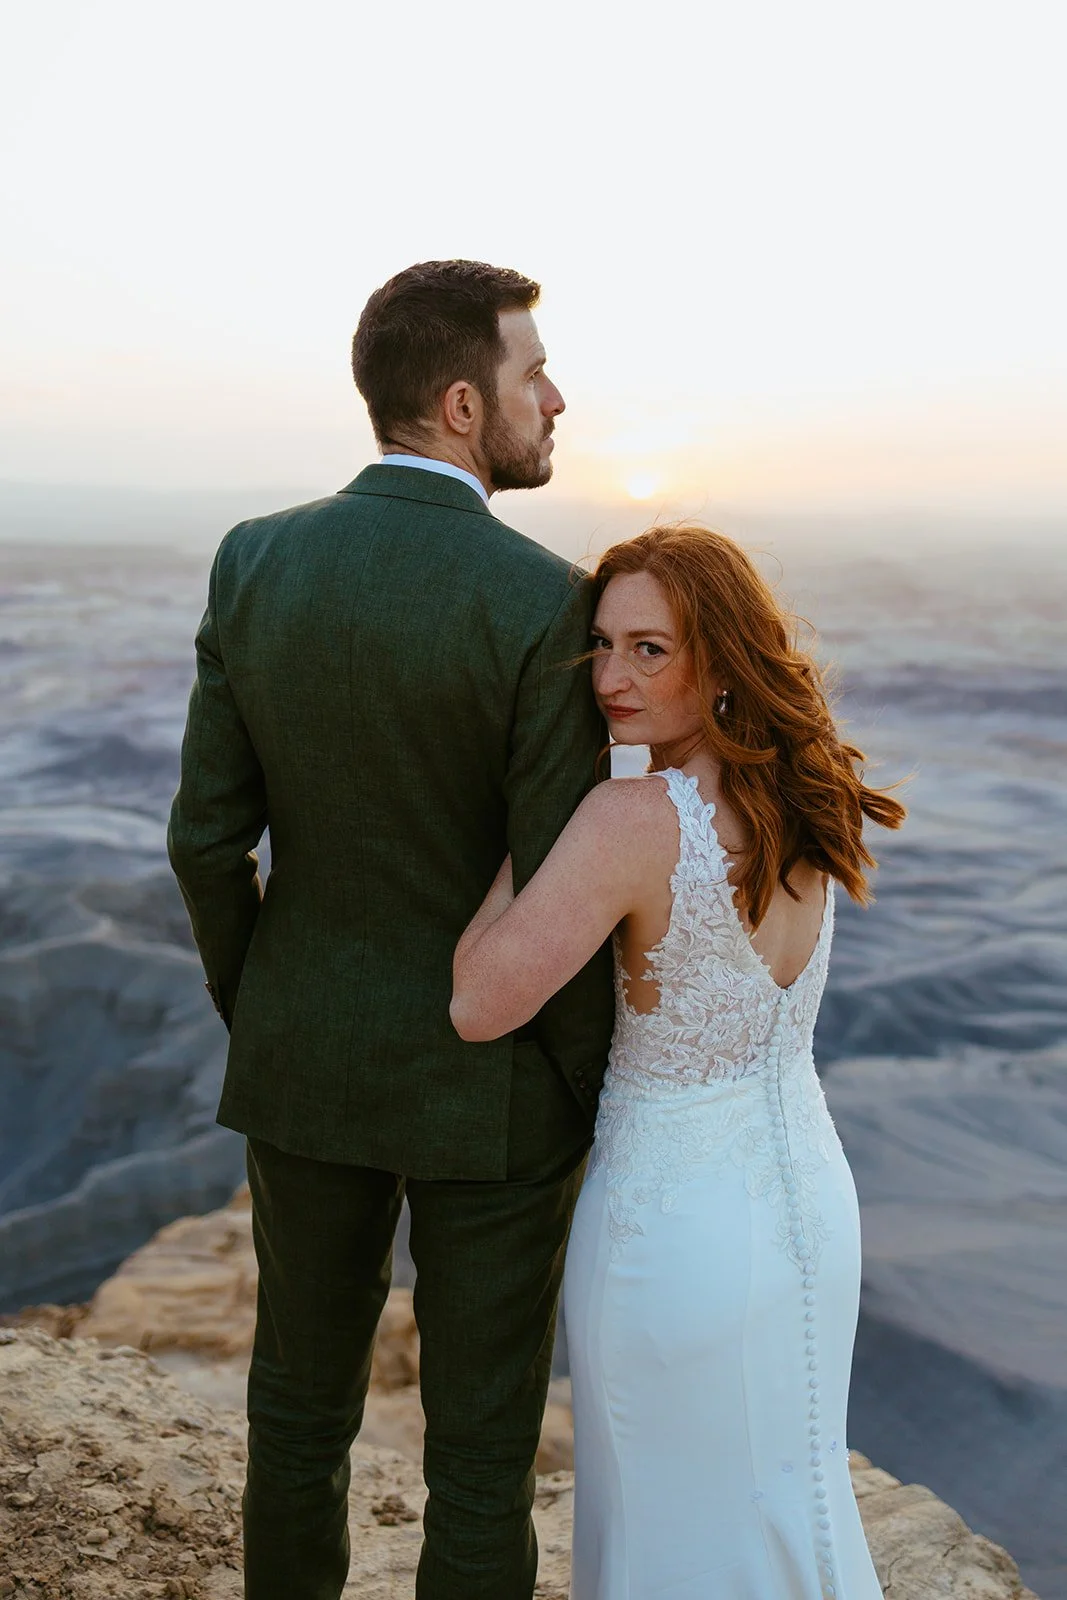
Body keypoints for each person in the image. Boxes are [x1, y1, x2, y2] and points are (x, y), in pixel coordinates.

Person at [167, 259, 615, 1600]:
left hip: (304, 1059)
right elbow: (557, 884)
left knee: (294, 1414)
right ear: (465, 405)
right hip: (495, 1094)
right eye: (534, 373)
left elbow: (203, 841)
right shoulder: (546, 601)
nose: (555, 397)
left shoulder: (254, 560)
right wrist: (586, 1093)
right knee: (477, 1460)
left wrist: (275, 1010)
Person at [451, 523, 906, 1599]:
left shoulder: (625, 819)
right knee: (785, 1492)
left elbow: (478, 1003)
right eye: (601, 646)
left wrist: (534, 832)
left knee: (669, 1529)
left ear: (722, 655)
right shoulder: (807, 795)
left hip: (675, 1235)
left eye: (649, 648)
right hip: (808, 1211)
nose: (611, 677)